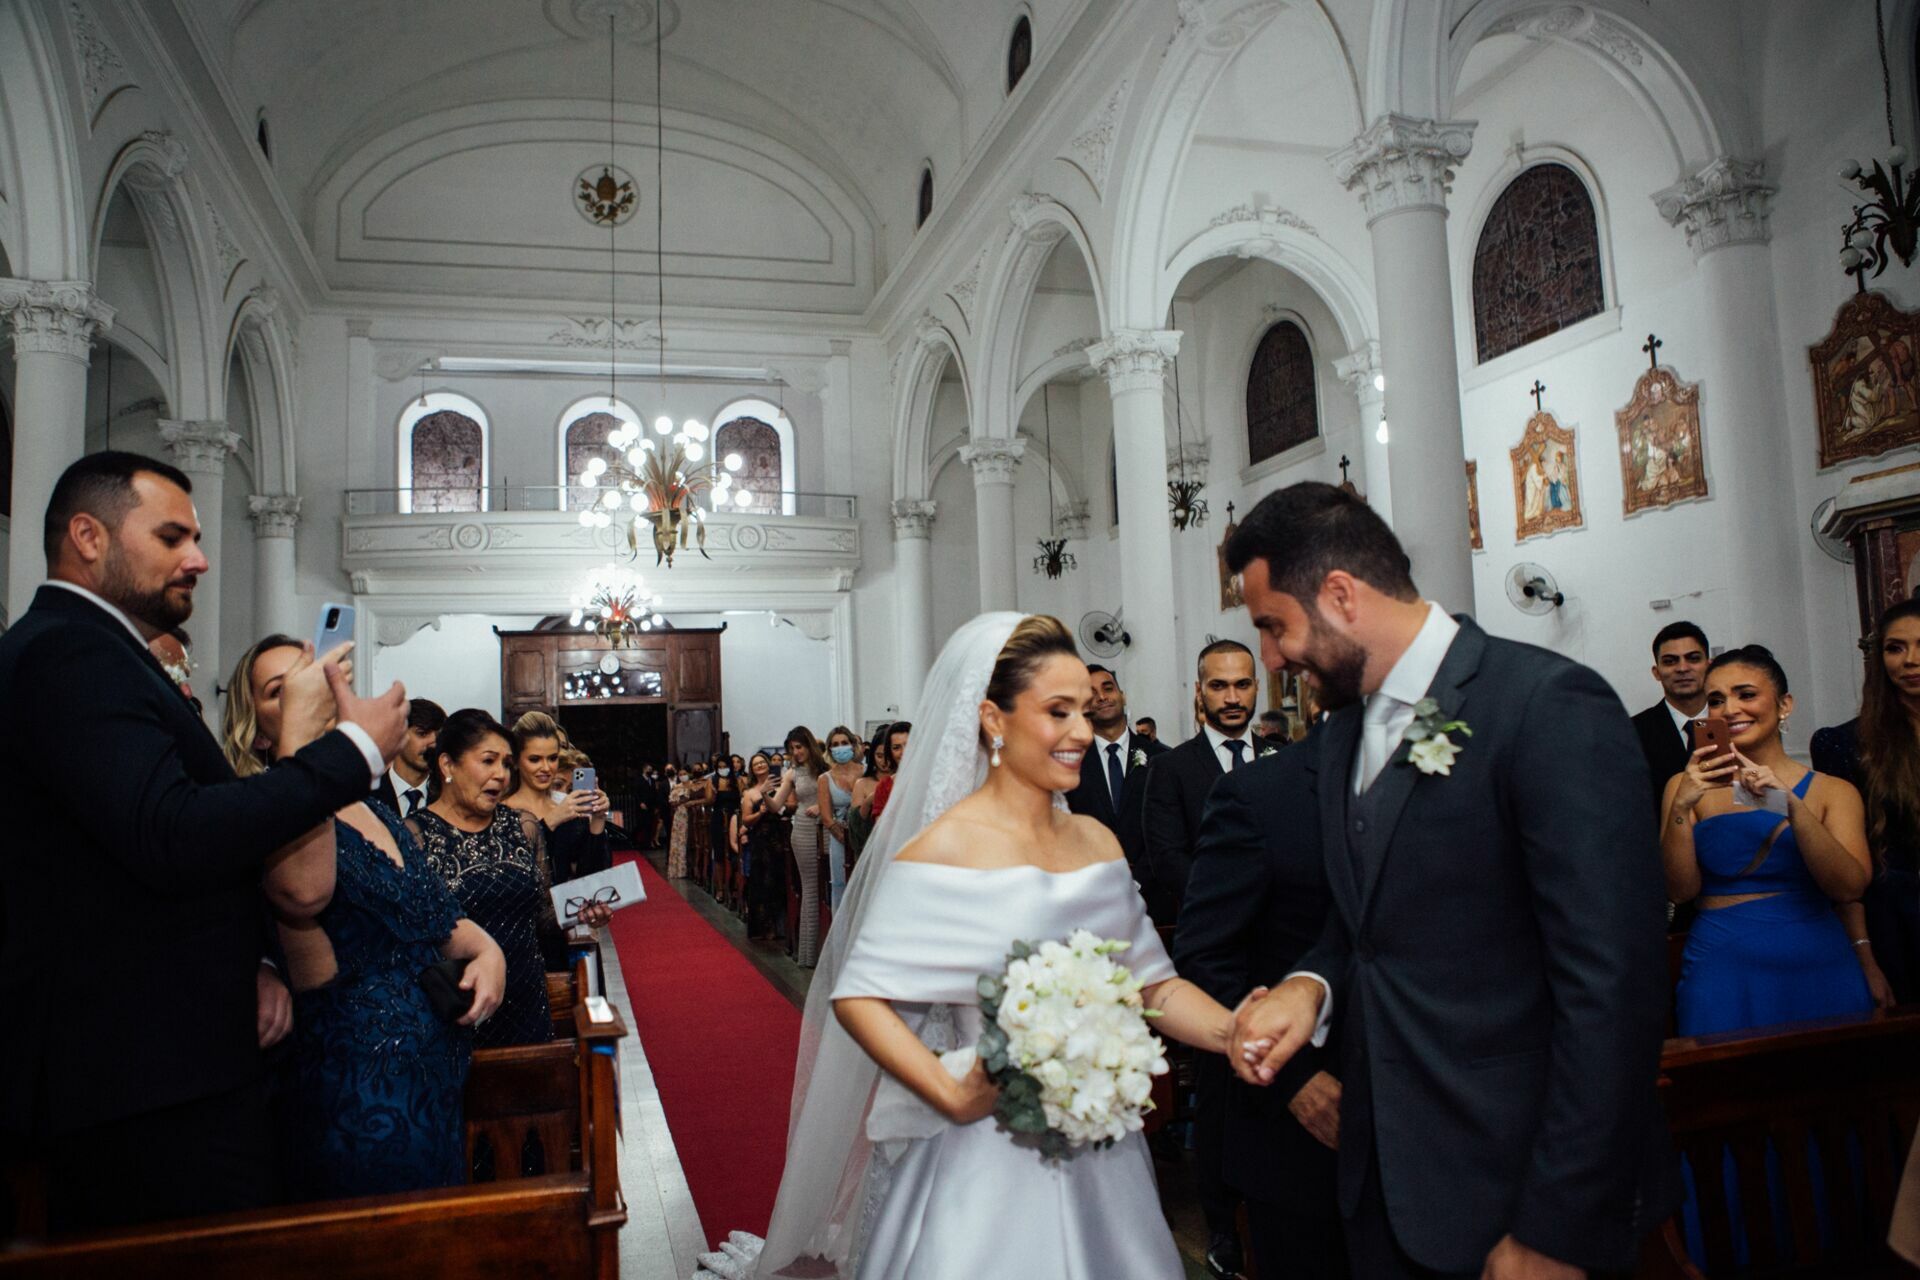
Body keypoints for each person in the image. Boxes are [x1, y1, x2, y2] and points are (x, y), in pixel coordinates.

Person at [705, 613, 1258, 1280]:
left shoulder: (1096, 842)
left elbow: (1154, 987)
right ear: (994, 720)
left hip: (1099, 1148)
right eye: (1059, 712)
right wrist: (944, 1084)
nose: (1083, 731)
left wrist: (1234, 1033)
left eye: (1085, 710)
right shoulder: (946, 850)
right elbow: (859, 994)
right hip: (985, 1158)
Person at [1228, 482, 1677, 1279]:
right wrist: (1310, 985)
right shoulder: (1341, 734)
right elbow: (1365, 922)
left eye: (1273, 626)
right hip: (1383, 1187)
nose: (1270, 659)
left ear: (1340, 594)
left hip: (1519, 1190)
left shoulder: (1544, 706)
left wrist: (1557, 1224)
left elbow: (1614, 987)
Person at [0, 451, 409, 1232]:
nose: (200, 557)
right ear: (88, 536)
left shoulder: (105, 654)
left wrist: (256, 958)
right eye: (172, 536)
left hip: (171, 1060)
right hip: (135, 1076)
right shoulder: (69, 651)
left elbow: (174, 840)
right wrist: (350, 751)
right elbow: (173, 831)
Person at [222, 635, 505, 1200]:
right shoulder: (260, 808)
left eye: (312, 679)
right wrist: (311, 748)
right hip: (355, 1089)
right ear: (255, 729)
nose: (307, 694)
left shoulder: (375, 809)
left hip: (434, 1078)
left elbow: (437, 916)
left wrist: (489, 952)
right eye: (282, 692)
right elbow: (303, 891)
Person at [1176, 740, 1348, 1280]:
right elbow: (1206, 955)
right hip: (1303, 1135)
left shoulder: (1464, 771)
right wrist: (1292, 1080)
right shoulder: (1260, 794)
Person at [1662, 646, 1874, 1036]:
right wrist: (1681, 807)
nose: (1730, 709)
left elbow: (1848, 887)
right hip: (1723, 964)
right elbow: (1680, 890)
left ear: (1784, 705)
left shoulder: (1833, 791)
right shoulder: (1683, 785)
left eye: (1746, 694)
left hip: (1818, 961)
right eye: (1716, 700)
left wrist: (1792, 804)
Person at [1139, 638, 1265, 1279]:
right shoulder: (1174, 770)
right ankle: (1221, 1227)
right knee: (1219, 1096)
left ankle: (1273, 1214)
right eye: (1220, 686)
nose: (1234, 697)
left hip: (1278, 956)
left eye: (1243, 685)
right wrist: (1238, 907)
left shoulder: (1283, 756)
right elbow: (1167, 858)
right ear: (1198, 693)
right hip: (1213, 957)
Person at [409, 710, 566, 1048]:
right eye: (489, 761)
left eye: (507, 764)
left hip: (527, 1002)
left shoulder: (522, 826)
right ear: (448, 765)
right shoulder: (413, 836)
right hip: (456, 1008)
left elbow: (543, 917)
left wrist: (581, 911)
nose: (501, 775)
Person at [1810, 597, 1920, 1006]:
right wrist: (1865, 959)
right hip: (1897, 926)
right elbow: (1846, 875)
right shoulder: (1844, 744)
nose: (1910, 660)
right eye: (1896, 647)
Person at [1065, 665, 1167, 867]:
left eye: (1108, 688)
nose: (1102, 697)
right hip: (1094, 882)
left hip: (1155, 885)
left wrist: (1140, 880)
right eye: (1091, 693)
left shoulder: (1160, 758)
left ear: (1123, 695)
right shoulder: (1071, 762)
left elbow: (1169, 828)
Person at [503, 711, 612, 889]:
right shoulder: (500, 810)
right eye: (535, 759)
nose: (546, 768)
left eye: (552, 758)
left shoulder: (567, 806)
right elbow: (510, 878)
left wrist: (598, 820)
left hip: (563, 914)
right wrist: (550, 822)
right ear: (515, 761)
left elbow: (591, 880)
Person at [1632, 622, 1710, 823]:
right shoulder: (1633, 732)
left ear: (1709, 666)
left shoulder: (1735, 723)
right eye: (1670, 661)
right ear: (1656, 672)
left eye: (1693, 659)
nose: (1682, 668)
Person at [769, 727, 830, 966]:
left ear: (809, 746)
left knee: (829, 888)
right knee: (810, 888)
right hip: (803, 829)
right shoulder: (792, 774)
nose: (796, 752)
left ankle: (827, 950)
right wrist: (765, 795)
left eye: (799, 747)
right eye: (792, 748)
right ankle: (808, 953)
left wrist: (823, 808)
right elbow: (776, 806)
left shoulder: (826, 769)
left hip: (826, 827)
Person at [373, 698, 446, 820]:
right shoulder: (368, 796)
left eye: (438, 737)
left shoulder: (448, 796)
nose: (433, 744)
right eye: (422, 733)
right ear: (398, 736)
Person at [741, 752, 788, 940]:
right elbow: (746, 819)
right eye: (756, 764)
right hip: (761, 840)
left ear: (769, 765)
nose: (760, 766)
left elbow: (790, 804)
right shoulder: (749, 792)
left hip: (780, 835)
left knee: (780, 879)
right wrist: (760, 812)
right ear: (752, 769)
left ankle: (782, 926)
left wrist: (780, 806)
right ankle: (764, 926)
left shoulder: (782, 784)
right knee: (761, 882)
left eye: (762, 763)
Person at [821, 726, 863, 908]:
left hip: (865, 836)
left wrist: (858, 838)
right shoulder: (825, 778)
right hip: (839, 837)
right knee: (840, 884)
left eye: (844, 743)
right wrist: (845, 839)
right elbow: (827, 818)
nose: (840, 747)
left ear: (852, 745)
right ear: (830, 749)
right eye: (835, 744)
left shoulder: (865, 771)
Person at [869, 721, 911, 821]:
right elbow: (881, 829)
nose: (903, 752)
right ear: (890, 752)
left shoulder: (933, 778)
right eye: (896, 748)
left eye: (908, 745)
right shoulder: (884, 786)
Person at [666, 766, 695, 878]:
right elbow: (672, 802)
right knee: (679, 839)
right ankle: (679, 870)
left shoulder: (693, 785)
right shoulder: (676, 787)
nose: (683, 776)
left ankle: (691, 868)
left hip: (692, 813)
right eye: (680, 774)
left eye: (685, 773)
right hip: (680, 815)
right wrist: (680, 801)